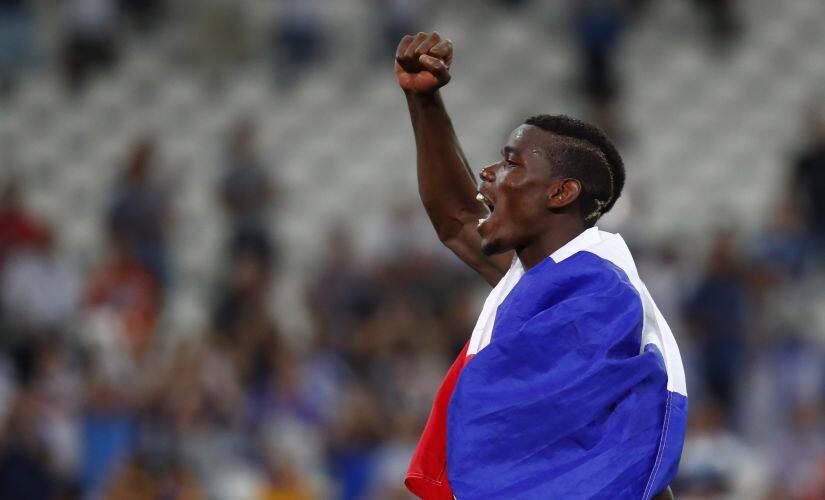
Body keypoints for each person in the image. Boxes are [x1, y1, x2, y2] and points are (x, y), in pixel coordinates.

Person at [395, 32, 686, 499]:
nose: (488, 173)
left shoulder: (601, 295)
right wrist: (423, 100)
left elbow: (626, 461)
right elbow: (458, 221)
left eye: (511, 163)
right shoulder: (544, 277)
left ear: (561, 192)